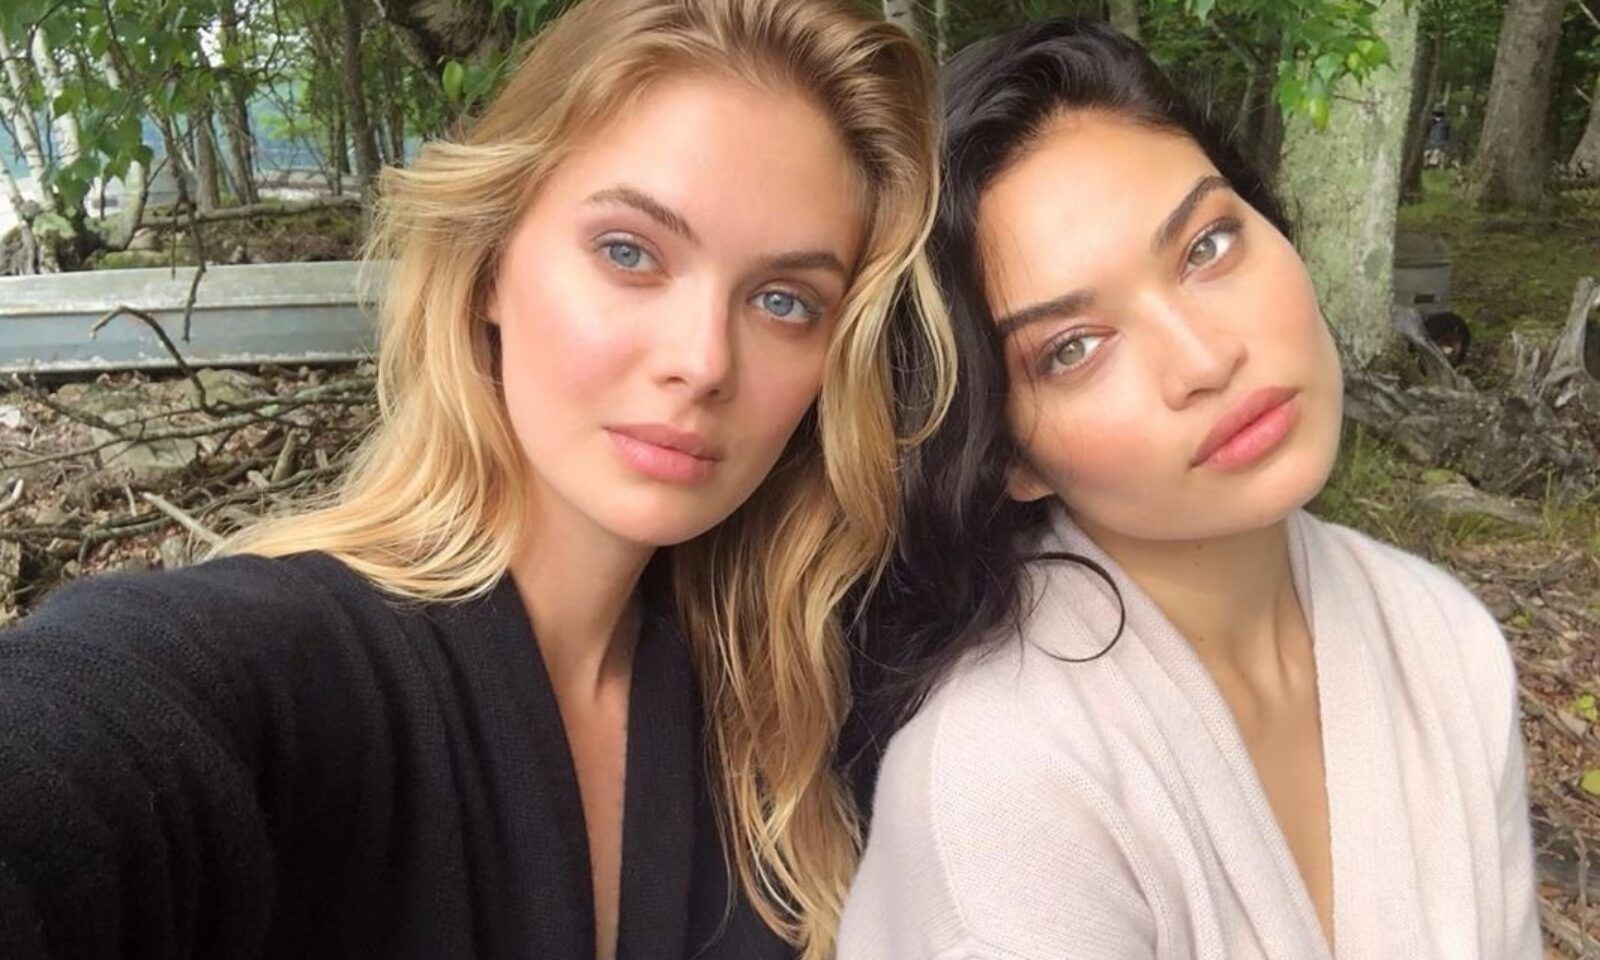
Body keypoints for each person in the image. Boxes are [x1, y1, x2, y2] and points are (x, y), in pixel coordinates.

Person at [0, 2, 953, 958]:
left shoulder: (797, 713)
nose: (703, 362)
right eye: (629, 252)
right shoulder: (266, 669)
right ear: (492, 263)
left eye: (785, 301)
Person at [840, 20, 1540, 960]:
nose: (1207, 360)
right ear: (1009, 457)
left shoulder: (1441, 638)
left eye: (1207, 247)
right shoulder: (1005, 787)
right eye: (1073, 349)